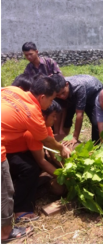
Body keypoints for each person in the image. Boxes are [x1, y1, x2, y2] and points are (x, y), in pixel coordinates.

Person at [0, 76, 70, 242]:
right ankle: (5, 232)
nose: (50, 103)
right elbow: (47, 142)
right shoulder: (33, 113)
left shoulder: (13, 90)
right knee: (5, 190)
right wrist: (62, 149)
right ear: (42, 97)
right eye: (52, 99)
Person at [6, 101, 61, 223]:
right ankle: (21, 210)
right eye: (54, 116)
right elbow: (41, 161)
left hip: (22, 151)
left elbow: (52, 152)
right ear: (43, 116)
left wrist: (63, 164)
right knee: (30, 169)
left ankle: (29, 186)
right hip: (7, 154)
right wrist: (63, 176)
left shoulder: (46, 127)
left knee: (40, 164)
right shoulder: (32, 132)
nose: (56, 119)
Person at [52, 74, 103, 144]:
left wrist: (75, 137)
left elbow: (79, 115)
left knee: (96, 123)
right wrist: (58, 132)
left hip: (93, 93)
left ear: (67, 84)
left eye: (63, 93)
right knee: (67, 119)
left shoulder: (79, 87)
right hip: (74, 95)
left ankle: (97, 145)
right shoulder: (56, 91)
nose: (62, 97)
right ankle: (64, 138)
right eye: (58, 95)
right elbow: (61, 110)